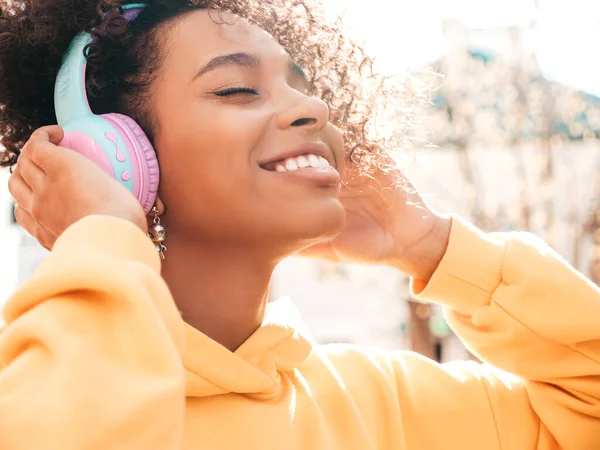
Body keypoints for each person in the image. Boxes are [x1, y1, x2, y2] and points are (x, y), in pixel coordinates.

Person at [0, 0, 599, 449]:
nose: (313, 109)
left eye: (301, 87)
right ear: (115, 157)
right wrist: (104, 236)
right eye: (236, 89)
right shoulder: (36, 387)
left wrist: (430, 246)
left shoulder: (390, 405)